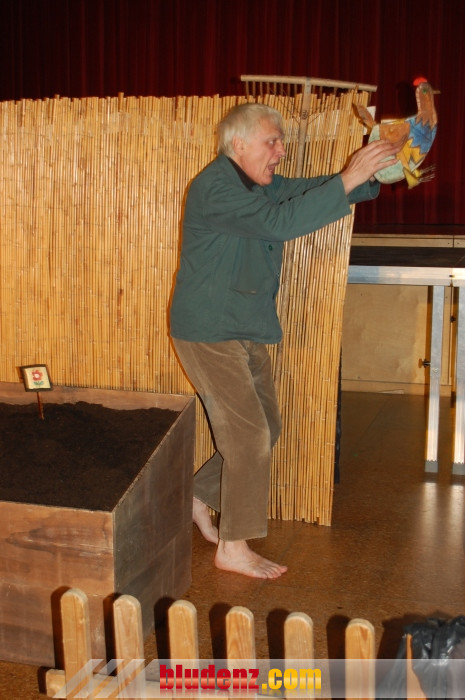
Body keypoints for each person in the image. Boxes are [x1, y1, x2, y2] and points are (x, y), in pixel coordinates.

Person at [169, 102, 404, 579]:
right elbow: (280, 223)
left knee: (266, 427)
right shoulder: (216, 187)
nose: (281, 151)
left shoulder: (257, 184)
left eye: (280, 142)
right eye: (271, 142)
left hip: (241, 326)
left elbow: (309, 192)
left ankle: (197, 495)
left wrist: (377, 172)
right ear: (238, 145)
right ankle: (233, 547)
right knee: (249, 436)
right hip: (209, 331)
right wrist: (351, 175)